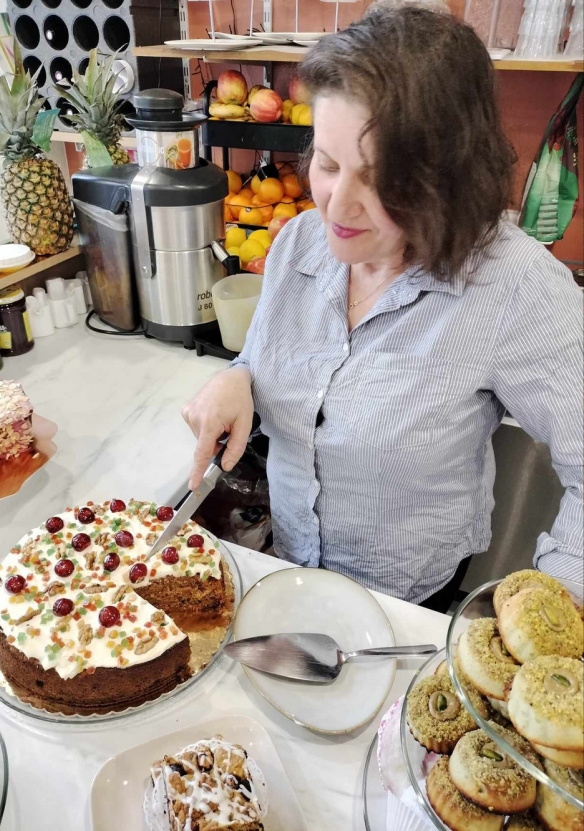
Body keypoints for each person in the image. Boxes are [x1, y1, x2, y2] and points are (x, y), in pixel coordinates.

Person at [182, 6, 583, 611]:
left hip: (409, 602)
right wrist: (237, 377)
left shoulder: (516, 288)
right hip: (292, 569)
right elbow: (268, 358)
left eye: (380, 181)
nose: (338, 208)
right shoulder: (297, 243)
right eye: (327, 163)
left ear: (450, 178)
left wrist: (551, 607)